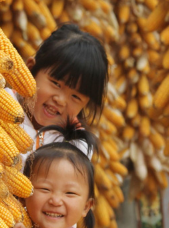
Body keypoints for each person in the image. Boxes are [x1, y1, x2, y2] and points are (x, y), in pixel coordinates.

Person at [6, 23, 109, 163]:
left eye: (75, 97)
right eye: (56, 84)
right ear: (30, 69)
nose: (60, 100)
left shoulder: (75, 147)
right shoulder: (1, 105)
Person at [12, 127, 98, 228]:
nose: (56, 200)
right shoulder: (13, 224)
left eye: (70, 193)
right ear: (23, 194)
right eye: (45, 189)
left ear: (86, 206)